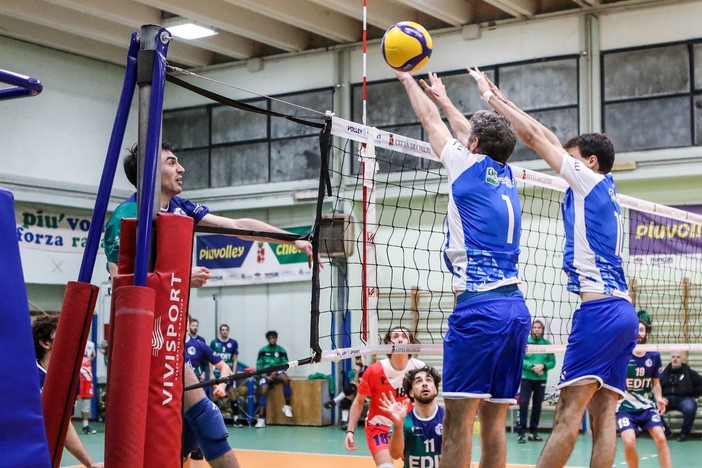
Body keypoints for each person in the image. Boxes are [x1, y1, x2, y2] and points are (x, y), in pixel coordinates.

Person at [104, 142, 314, 467]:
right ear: (149, 172)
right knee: (171, 427)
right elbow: (124, 287)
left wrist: (292, 239)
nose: (181, 169)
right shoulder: (125, 218)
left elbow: (237, 227)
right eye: (172, 162)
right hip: (140, 344)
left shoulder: (177, 207)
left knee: (195, 423)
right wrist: (182, 277)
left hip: (169, 336)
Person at [471, 68, 639, 467]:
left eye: (573, 157)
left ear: (591, 162)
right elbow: (545, 134)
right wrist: (505, 99)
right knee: (605, 418)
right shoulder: (609, 192)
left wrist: (492, 102)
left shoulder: (590, 182)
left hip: (599, 313)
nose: (564, 163)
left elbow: (533, 138)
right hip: (624, 311)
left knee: (568, 415)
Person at [396, 70, 531, 468]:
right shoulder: (505, 174)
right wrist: (445, 97)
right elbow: (471, 132)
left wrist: (407, 79)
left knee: (457, 422)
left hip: (480, 309)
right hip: (515, 309)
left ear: (472, 146)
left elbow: (431, 124)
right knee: (493, 424)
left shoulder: (466, 168)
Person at [344, 326, 426, 468]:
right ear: (388, 344)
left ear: (410, 344)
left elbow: (426, 403)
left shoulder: (419, 369)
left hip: (408, 426)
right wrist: (350, 430)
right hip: (379, 426)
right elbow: (359, 402)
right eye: (395, 336)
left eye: (404, 336)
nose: (400, 339)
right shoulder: (374, 371)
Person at [33, 315, 103, 468]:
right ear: (45, 343)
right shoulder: (27, 376)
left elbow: (64, 425)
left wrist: (90, 464)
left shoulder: (70, 378)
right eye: (62, 333)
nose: (69, 338)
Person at [615, 321, 671, 468]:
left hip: (647, 407)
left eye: (642, 330)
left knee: (661, 438)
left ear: (646, 333)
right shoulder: (622, 355)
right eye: (636, 329)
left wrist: (658, 398)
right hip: (625, 408)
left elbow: (656, 383)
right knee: (629, 442)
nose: (639, 333)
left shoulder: (654, 355)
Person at [379, 366, 444, 468]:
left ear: (435, 390)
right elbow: (395, 455)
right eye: (418, 381)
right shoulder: (404, 420)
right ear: (411, 392)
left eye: (429, 380)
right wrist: (398, 426)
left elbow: (461, 453)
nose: (424, 383)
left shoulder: (447, 419)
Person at [517, 319, 556, 443]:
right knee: (523, 404)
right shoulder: (525, 343)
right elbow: (521, 360)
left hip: (541, 379)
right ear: (531, 329)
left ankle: (534, 433)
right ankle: (521, 433)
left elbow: (552, 362)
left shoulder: (547, 344)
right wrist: (534, 367)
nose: (537, 329)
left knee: (537, 406)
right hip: (526, 378)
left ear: (542, 330)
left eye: (539, 327)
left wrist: (543, 366)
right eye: (535, 327)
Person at [255, 330, 293, 428]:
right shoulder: (262, 350)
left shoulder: (281, 350)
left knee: (286, 379)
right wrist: (265, 376)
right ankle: (261, 418)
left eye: (274, 338)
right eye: (270, 338)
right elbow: (259, 366)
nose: (272, 340)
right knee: (263, 391)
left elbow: (285, 364)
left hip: (278, 372)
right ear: (268, 339)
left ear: (276, 338)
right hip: (266, 374)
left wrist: (276, 372)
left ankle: (287, 406)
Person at [661, 350, 702, 441]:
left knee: (690, 407)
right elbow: (657, 386)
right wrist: (660, 397)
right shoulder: (665, 372)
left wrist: (695, 395)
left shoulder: (688, 372)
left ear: (682, 359)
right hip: (667, 399)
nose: (675, 359)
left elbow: (701, 383)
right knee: (653, 408)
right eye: (673, 357)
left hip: (684, 399)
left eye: (678, 357)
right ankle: (666, 432)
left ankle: (684, 434)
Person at [325, 355, 367, 430]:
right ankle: (344, 421)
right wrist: (357, 372)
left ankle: (335, 401)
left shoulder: (368, 370)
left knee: (352, 389)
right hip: (357, 392)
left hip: (367, 392)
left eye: (360, 358)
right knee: (348, 395)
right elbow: (354, 384)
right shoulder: (352, 372)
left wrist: (358, 385)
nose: (359, 360)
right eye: (357, 359)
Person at [210, 324, 241, 426]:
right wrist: (211, 373)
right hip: (217, 374)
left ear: (228, 331)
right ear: (220, 331)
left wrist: (234, 371)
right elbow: (210, 359)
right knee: (215, 395)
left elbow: (235, 358)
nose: (224, 331)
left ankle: (236, 419)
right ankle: (214, 420)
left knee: (232, 393)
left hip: (229, 374)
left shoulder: (233, 343)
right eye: (222, 330)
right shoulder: (214, 343)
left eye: (226, 330)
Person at [77, 339, 98, 434]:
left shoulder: (91, 344)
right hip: (78, 376)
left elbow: (93, 355)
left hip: (88, 377)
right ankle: (67, 428)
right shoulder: (75, 342)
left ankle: (85, 425)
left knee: (87, 402)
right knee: (74, 402)